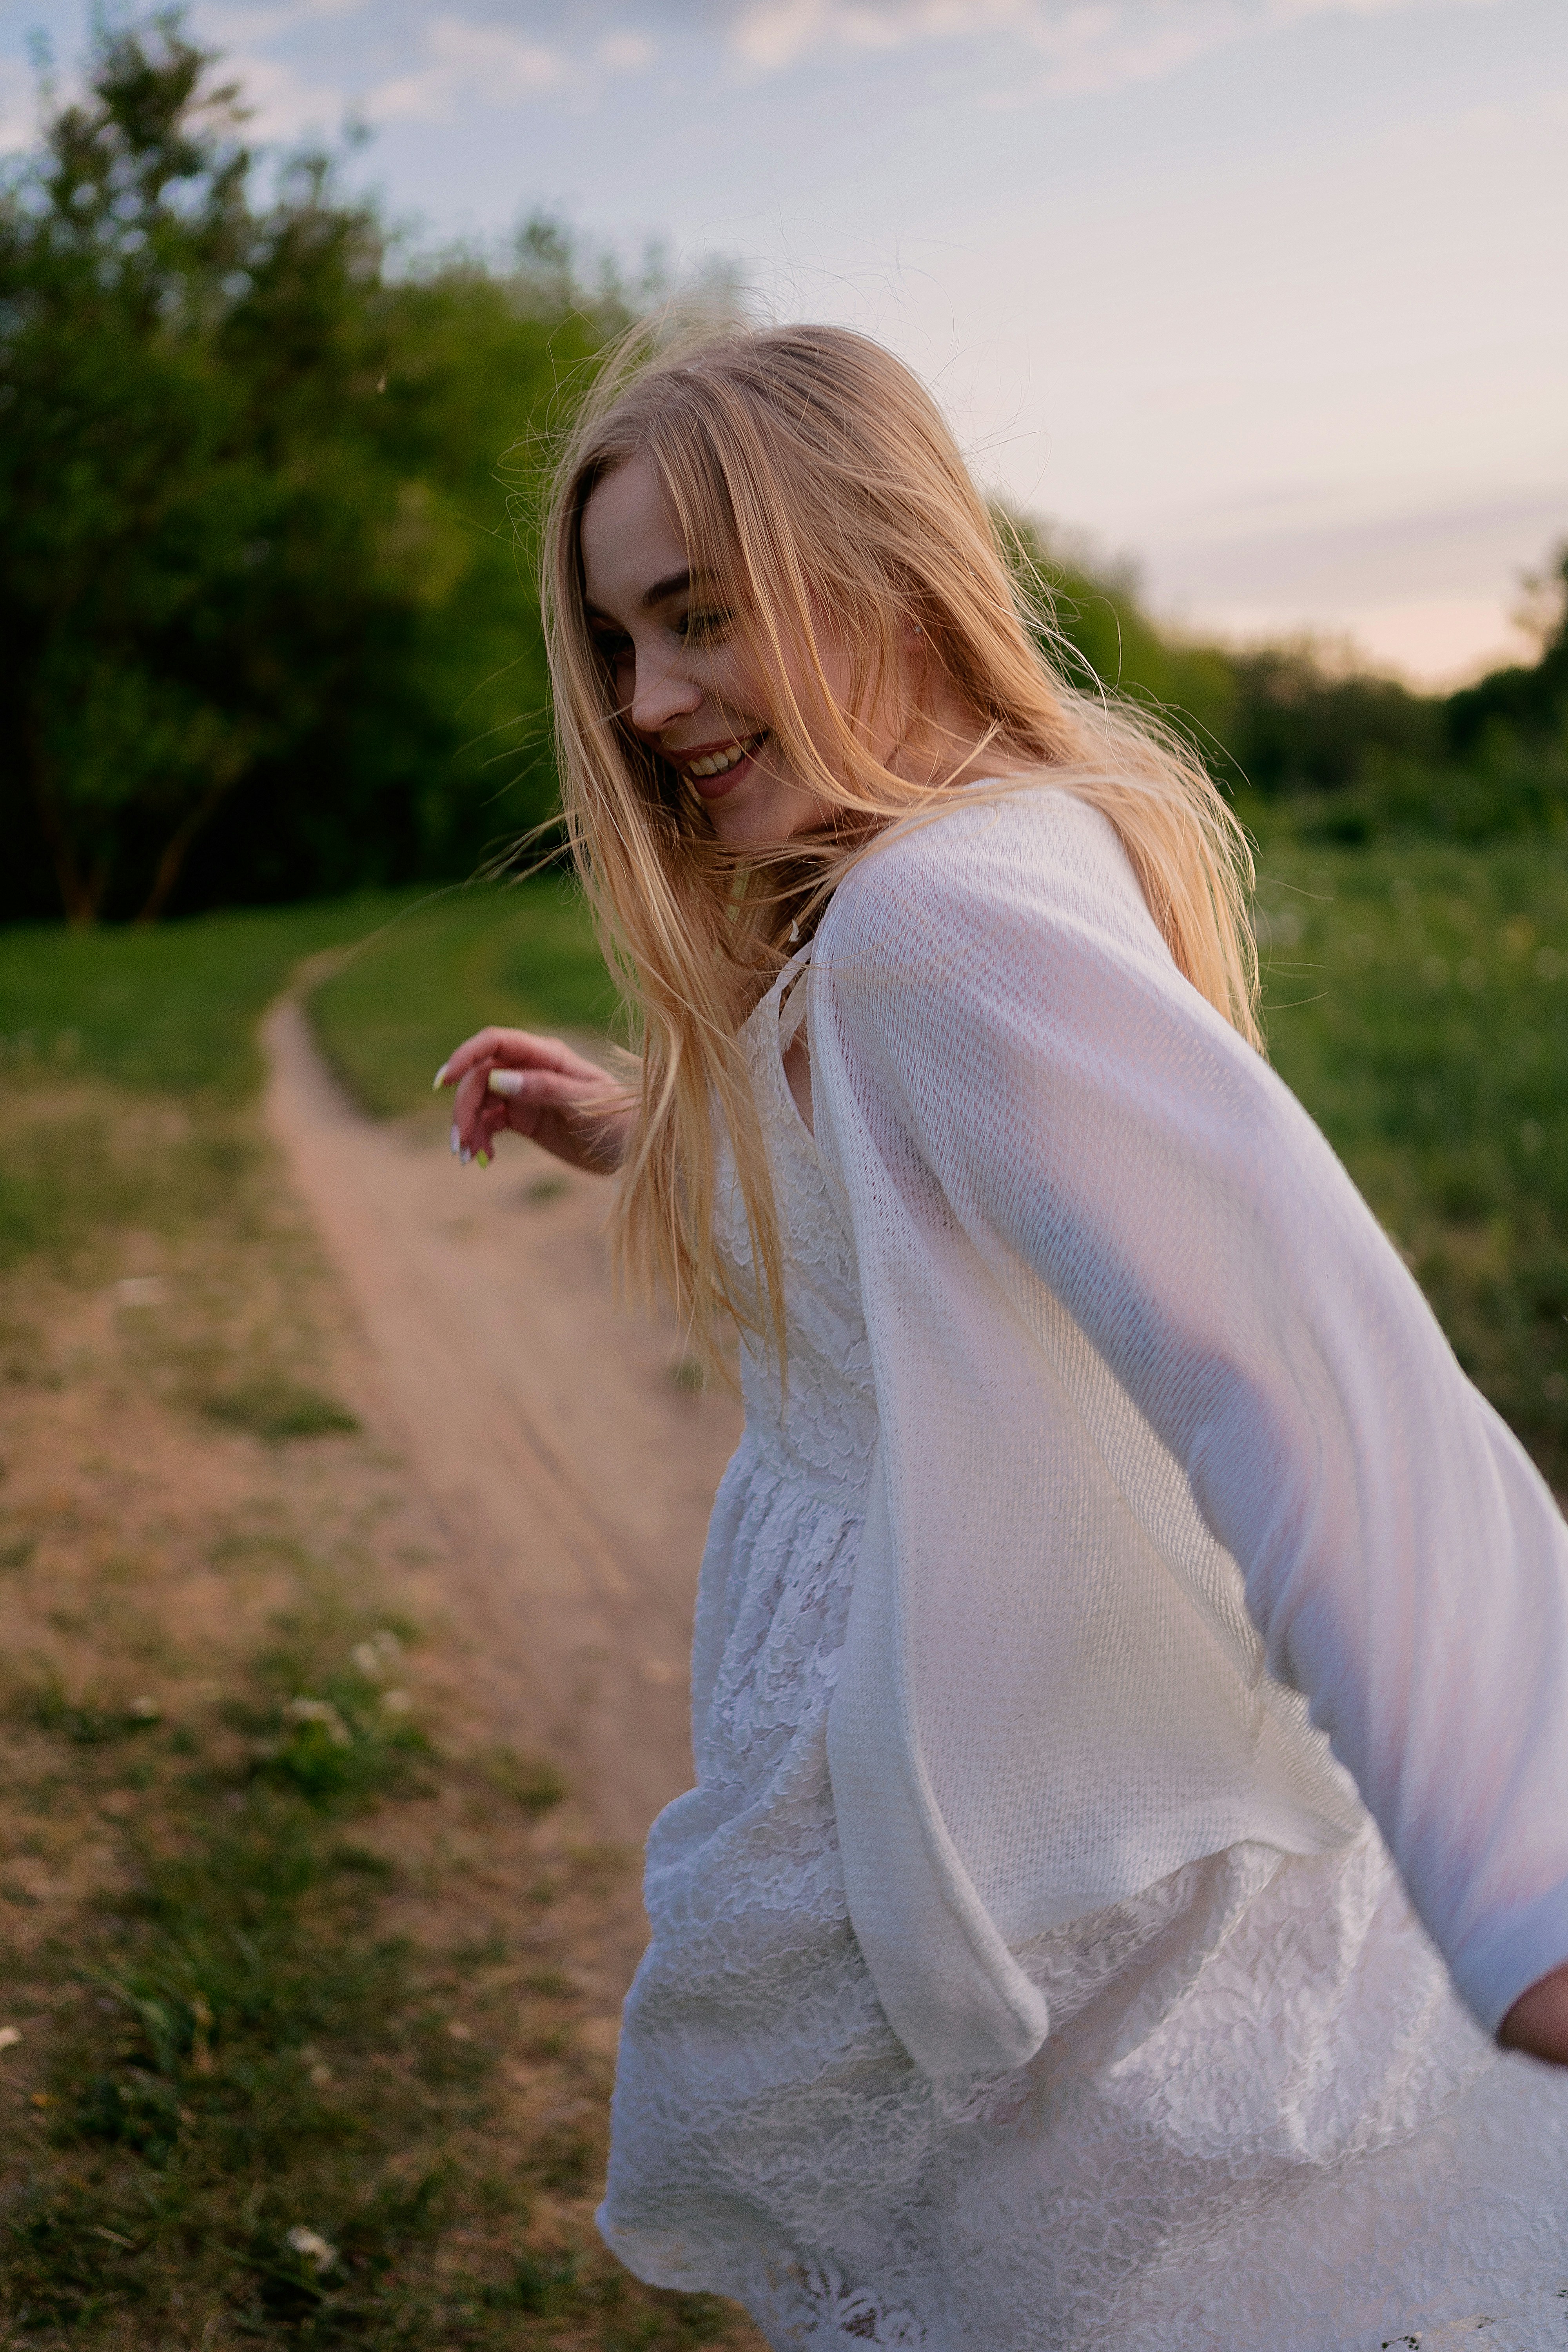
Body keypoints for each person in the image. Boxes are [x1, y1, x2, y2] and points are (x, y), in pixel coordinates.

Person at [437, 322, 1568, 2349]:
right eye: (619, 640)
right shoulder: (933, 882)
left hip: (1052, 1821)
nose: (648, 701)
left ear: (882, 566)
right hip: (1013, 1772)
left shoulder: (931, 927)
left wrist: (1526, 1881)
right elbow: (910, 1207)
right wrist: (634, 1128)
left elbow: (1290, 1369)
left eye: (699, 617)